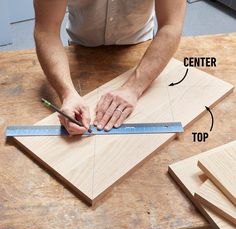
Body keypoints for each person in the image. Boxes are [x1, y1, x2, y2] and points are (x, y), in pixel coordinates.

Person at [34, 0, 186, 135]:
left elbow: (171, 25)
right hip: (80, 53)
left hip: (143, 55)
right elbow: (46, 31)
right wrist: (67, 93)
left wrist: (133, 88)